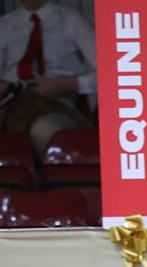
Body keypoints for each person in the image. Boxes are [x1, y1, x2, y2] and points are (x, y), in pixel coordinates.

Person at [0, 0, 96, 155]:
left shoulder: (72, 20)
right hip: (13, 99)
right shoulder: (5, 25)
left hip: (57, 100)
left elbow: (108, 74)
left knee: (46, 130)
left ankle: (43, 177)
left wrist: (67, 84)